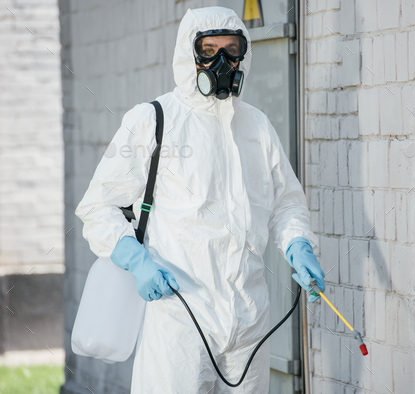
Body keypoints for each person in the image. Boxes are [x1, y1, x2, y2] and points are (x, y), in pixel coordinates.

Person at [75, 6, 324, 394]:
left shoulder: (256, 126)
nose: (221, 62)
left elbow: (286, 204)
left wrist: (299, 245)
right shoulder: (153, 120)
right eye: (209, 50)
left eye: (231, 49)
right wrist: (135, 260)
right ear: (188, 54)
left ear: (244, 55)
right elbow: (98, 207)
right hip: (179, 317)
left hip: (249, 321)